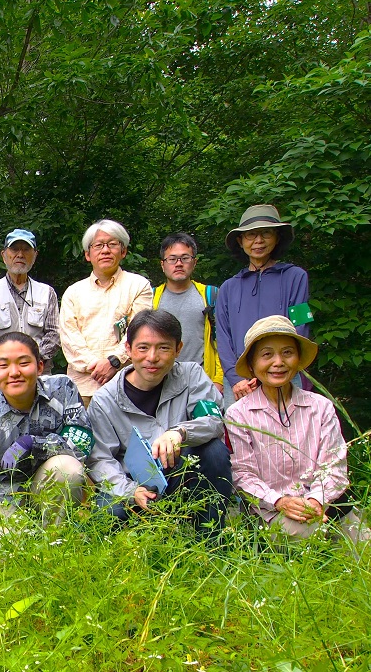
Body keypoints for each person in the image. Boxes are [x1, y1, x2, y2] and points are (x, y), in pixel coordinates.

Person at [87, 309, 232, 539]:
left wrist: (181, 432)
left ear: (178, 349)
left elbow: (214, 420)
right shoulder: (105, 400)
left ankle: (211, 541)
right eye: (143, 347)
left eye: (163, 348)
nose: (152, 357)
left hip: (183, 475)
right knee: (107, 513)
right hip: (134, 484)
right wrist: (131, 491)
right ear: (128, 349)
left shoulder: (192, 375)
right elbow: (100, 458)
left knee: (215, 451)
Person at [226, 316, 367, 544]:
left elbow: (335, 465)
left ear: (298, 359)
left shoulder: (321, 407)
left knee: (363, 548)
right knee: (309, 536)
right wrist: (281, 501)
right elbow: (242, 474)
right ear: (252, 365)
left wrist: (315, 501)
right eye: (267, 354)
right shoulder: (238, 414)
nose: (278, 362)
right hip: (270, 511)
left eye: (287, 352)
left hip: (326, 505)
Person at [0, 332, 92, 553]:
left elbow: (81, 444)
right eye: (3, 365)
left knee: (69, 469)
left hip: (50, 484)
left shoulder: (63, 389)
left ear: (39, 366)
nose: (14, 372)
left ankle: (56, 546)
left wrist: (35, 444)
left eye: (23, 363)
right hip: (5, 495)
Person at [216, 204, 310, 407]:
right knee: (241, 435)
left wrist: (284, 366)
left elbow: (301, 324)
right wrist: (236, 378)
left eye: (266, 233)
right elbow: (223, 337)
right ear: (241, 241)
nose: (258, 241)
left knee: (291, 433)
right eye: (250, 235)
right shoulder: (228, 287)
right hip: (241, 383)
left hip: (283, 373)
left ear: (277, 237)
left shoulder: (295, 277)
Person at [60, 219, 152, 404]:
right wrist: (97, 366)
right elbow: (70, 338)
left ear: (123, 251)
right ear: (88, 254)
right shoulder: (73, 292)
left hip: (126, 383)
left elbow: (139, 331)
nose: (105, 250)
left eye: (112, 244)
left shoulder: (139, 285)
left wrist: (113, 362)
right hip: (82, 387)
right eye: (99, 245)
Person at [153, 232, 224, 394]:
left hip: (202, 381)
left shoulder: (210, 295)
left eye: (185, 258)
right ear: (162, 264)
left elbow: (222, 339)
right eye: (172, 259)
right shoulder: (151, 298)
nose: (179, 264)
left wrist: (218, 380)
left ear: (194, 262)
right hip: (161, 383)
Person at [0, 229, 61, 373]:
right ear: (3, 255)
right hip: (2, 372)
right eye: (14, 249)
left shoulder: (46, 292)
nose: (20, 255)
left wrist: (33, 359)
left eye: (26, 250)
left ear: (35, 255)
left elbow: (54, 334)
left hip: (40, 372)